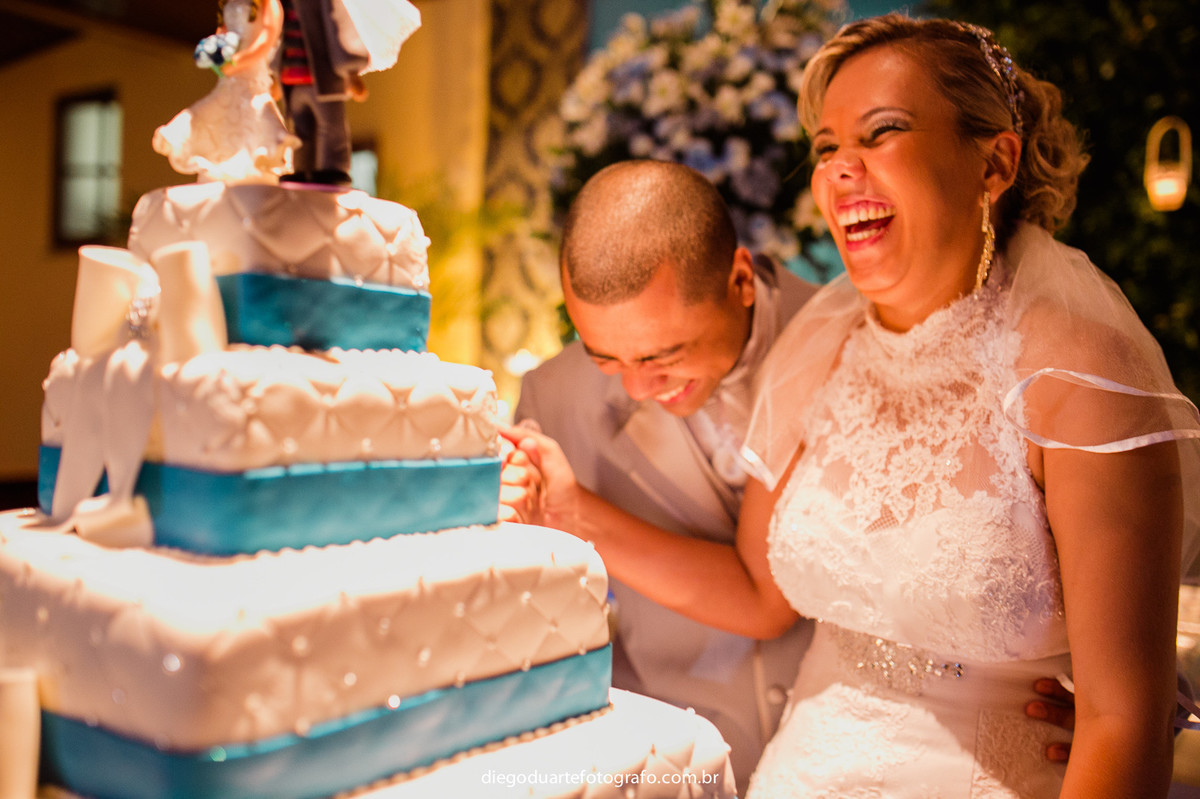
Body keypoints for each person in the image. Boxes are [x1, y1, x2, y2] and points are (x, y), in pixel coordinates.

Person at [507, 14, 1200, 796]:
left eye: (883, 131)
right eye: (828, 146)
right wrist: (571, 506)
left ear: (995, 161)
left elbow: (1123, 720)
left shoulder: (1076, 375)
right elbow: (759, 594)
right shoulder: (820, 351)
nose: (840, 168)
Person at [506, 159, 819, 788]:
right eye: (605, 356)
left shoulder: (855, 335)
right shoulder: (554, 398)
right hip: (674, 771)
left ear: (740, 280)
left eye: (662, 355)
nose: (638, 387)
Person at [153, 0, 299, 183]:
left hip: (251, 71)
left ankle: (255, 167)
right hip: (230, 76)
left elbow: (267, 37)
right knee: (216, 111)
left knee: (254, 114)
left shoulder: (268, 3)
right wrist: (214, 51)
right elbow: (222, 33)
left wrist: (240, 60)